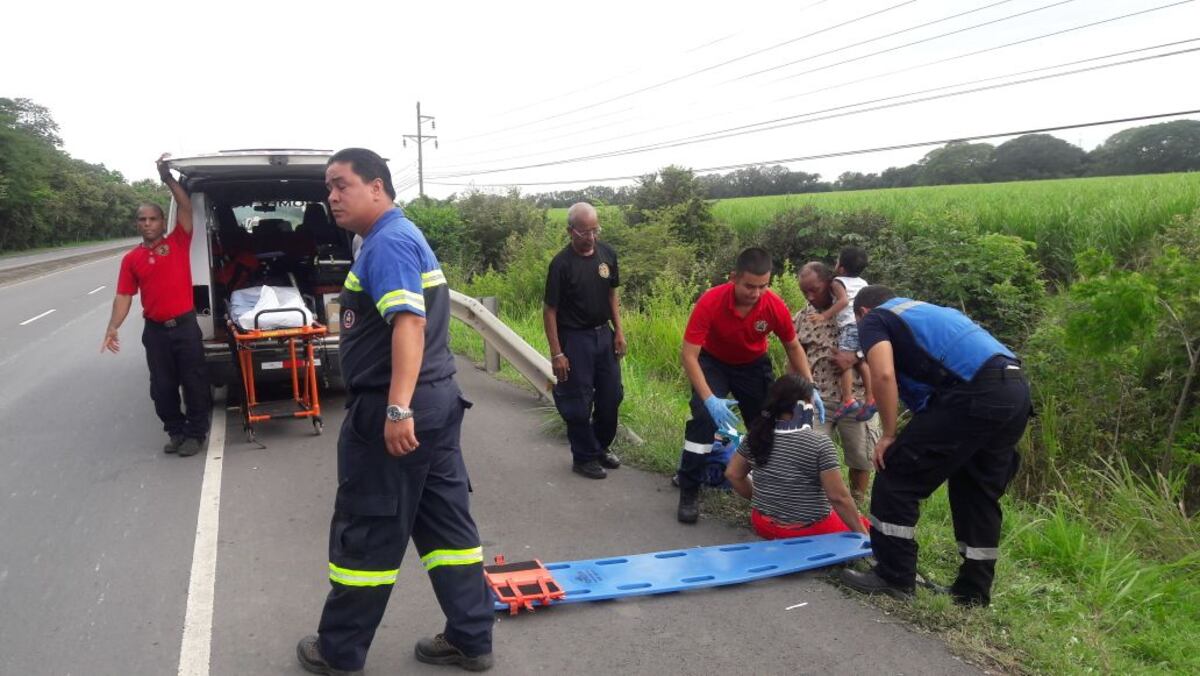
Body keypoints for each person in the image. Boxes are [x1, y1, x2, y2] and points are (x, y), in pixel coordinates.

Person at [296, 149, 493, 675]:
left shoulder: (388, 243)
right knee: (448, 529)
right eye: (328, 187)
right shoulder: (396, 237)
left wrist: (396, 409)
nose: (332, 196)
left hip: (399, 409)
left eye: (342, 185)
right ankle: (471, 639)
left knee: (368, 529)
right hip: (438, 405)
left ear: (377, 187)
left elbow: (408, 323)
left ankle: (339, 651)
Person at [839, 286, 1031, 608]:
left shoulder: (876, 319)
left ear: (862, 313)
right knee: (976, 491)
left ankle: (894, 576)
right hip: (1016, 390)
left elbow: (884, 375)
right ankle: (973, 592)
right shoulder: (930, 312)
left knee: (896, 471)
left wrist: (888, 435)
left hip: (977, 393)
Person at [675, 247, 823, 524]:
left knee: (766, 426)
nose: (755, 293)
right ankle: (689, 487)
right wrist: (709, 399)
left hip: (753, 365)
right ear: (733, 277)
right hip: (713, 362)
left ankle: (772, 494)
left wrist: (811, 387)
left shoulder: (773, 305)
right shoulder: (710, 301)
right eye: (749, 286)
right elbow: (689, 355)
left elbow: (792, 346)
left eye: (763, 286)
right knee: (704, 420)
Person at [101, 154, 211, 457]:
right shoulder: (131, 259)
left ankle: (195, 433)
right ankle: (175, 431)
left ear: (163, 221)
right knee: (162, 388)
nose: (148, 223)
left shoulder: (178, 241)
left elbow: (187, 207)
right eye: (142, 219)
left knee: (194, 383)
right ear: (137, 223)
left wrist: (167, 177)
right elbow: (124, 296)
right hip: (156, 332)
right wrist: (113, 327)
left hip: (185, 326)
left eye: (153, 218)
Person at [725, 374, 869, 539]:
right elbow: (838, 497)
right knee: (866, 525)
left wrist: (760, 500)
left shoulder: (756, 435)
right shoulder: (820, 444)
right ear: (804, 404)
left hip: (763, 525)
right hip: (806, 531)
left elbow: (733, 474)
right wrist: (863, 536)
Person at [543, 202, 626, 479]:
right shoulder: (561, 264)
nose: (591, 237)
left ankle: (599, 446)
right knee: (578, 402)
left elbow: (612, 295)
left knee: (611, 396)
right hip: (575, 339)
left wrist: (619, 332)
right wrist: (557, 353)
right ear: (570, 231)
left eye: (595, 230)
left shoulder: (607, 255)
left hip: (604, 334)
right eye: (584, 232)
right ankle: (583, 457)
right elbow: (550, 311)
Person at [795, 261, 880, 504]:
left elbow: (882, 349)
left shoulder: (859, 313)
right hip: (817, 399)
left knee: (861, 458)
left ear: (831, 284)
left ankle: (857, 504)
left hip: (858, 400)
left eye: (815, 289)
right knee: (809, 456)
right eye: (804, 292)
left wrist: (855, 356)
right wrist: (793, 393)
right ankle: (817, 507)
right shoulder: (804, 317)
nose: (810, 297)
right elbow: (795, 353)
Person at [806, 246, 875, 421]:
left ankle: (848, 399)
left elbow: (843, 301)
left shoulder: (837, 282)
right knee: (861, 363)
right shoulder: (863, 283)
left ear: (842, 268)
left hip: (849, 326)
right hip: (863, 323)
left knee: (845, 362)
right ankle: (870, 398)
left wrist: (824, 315)